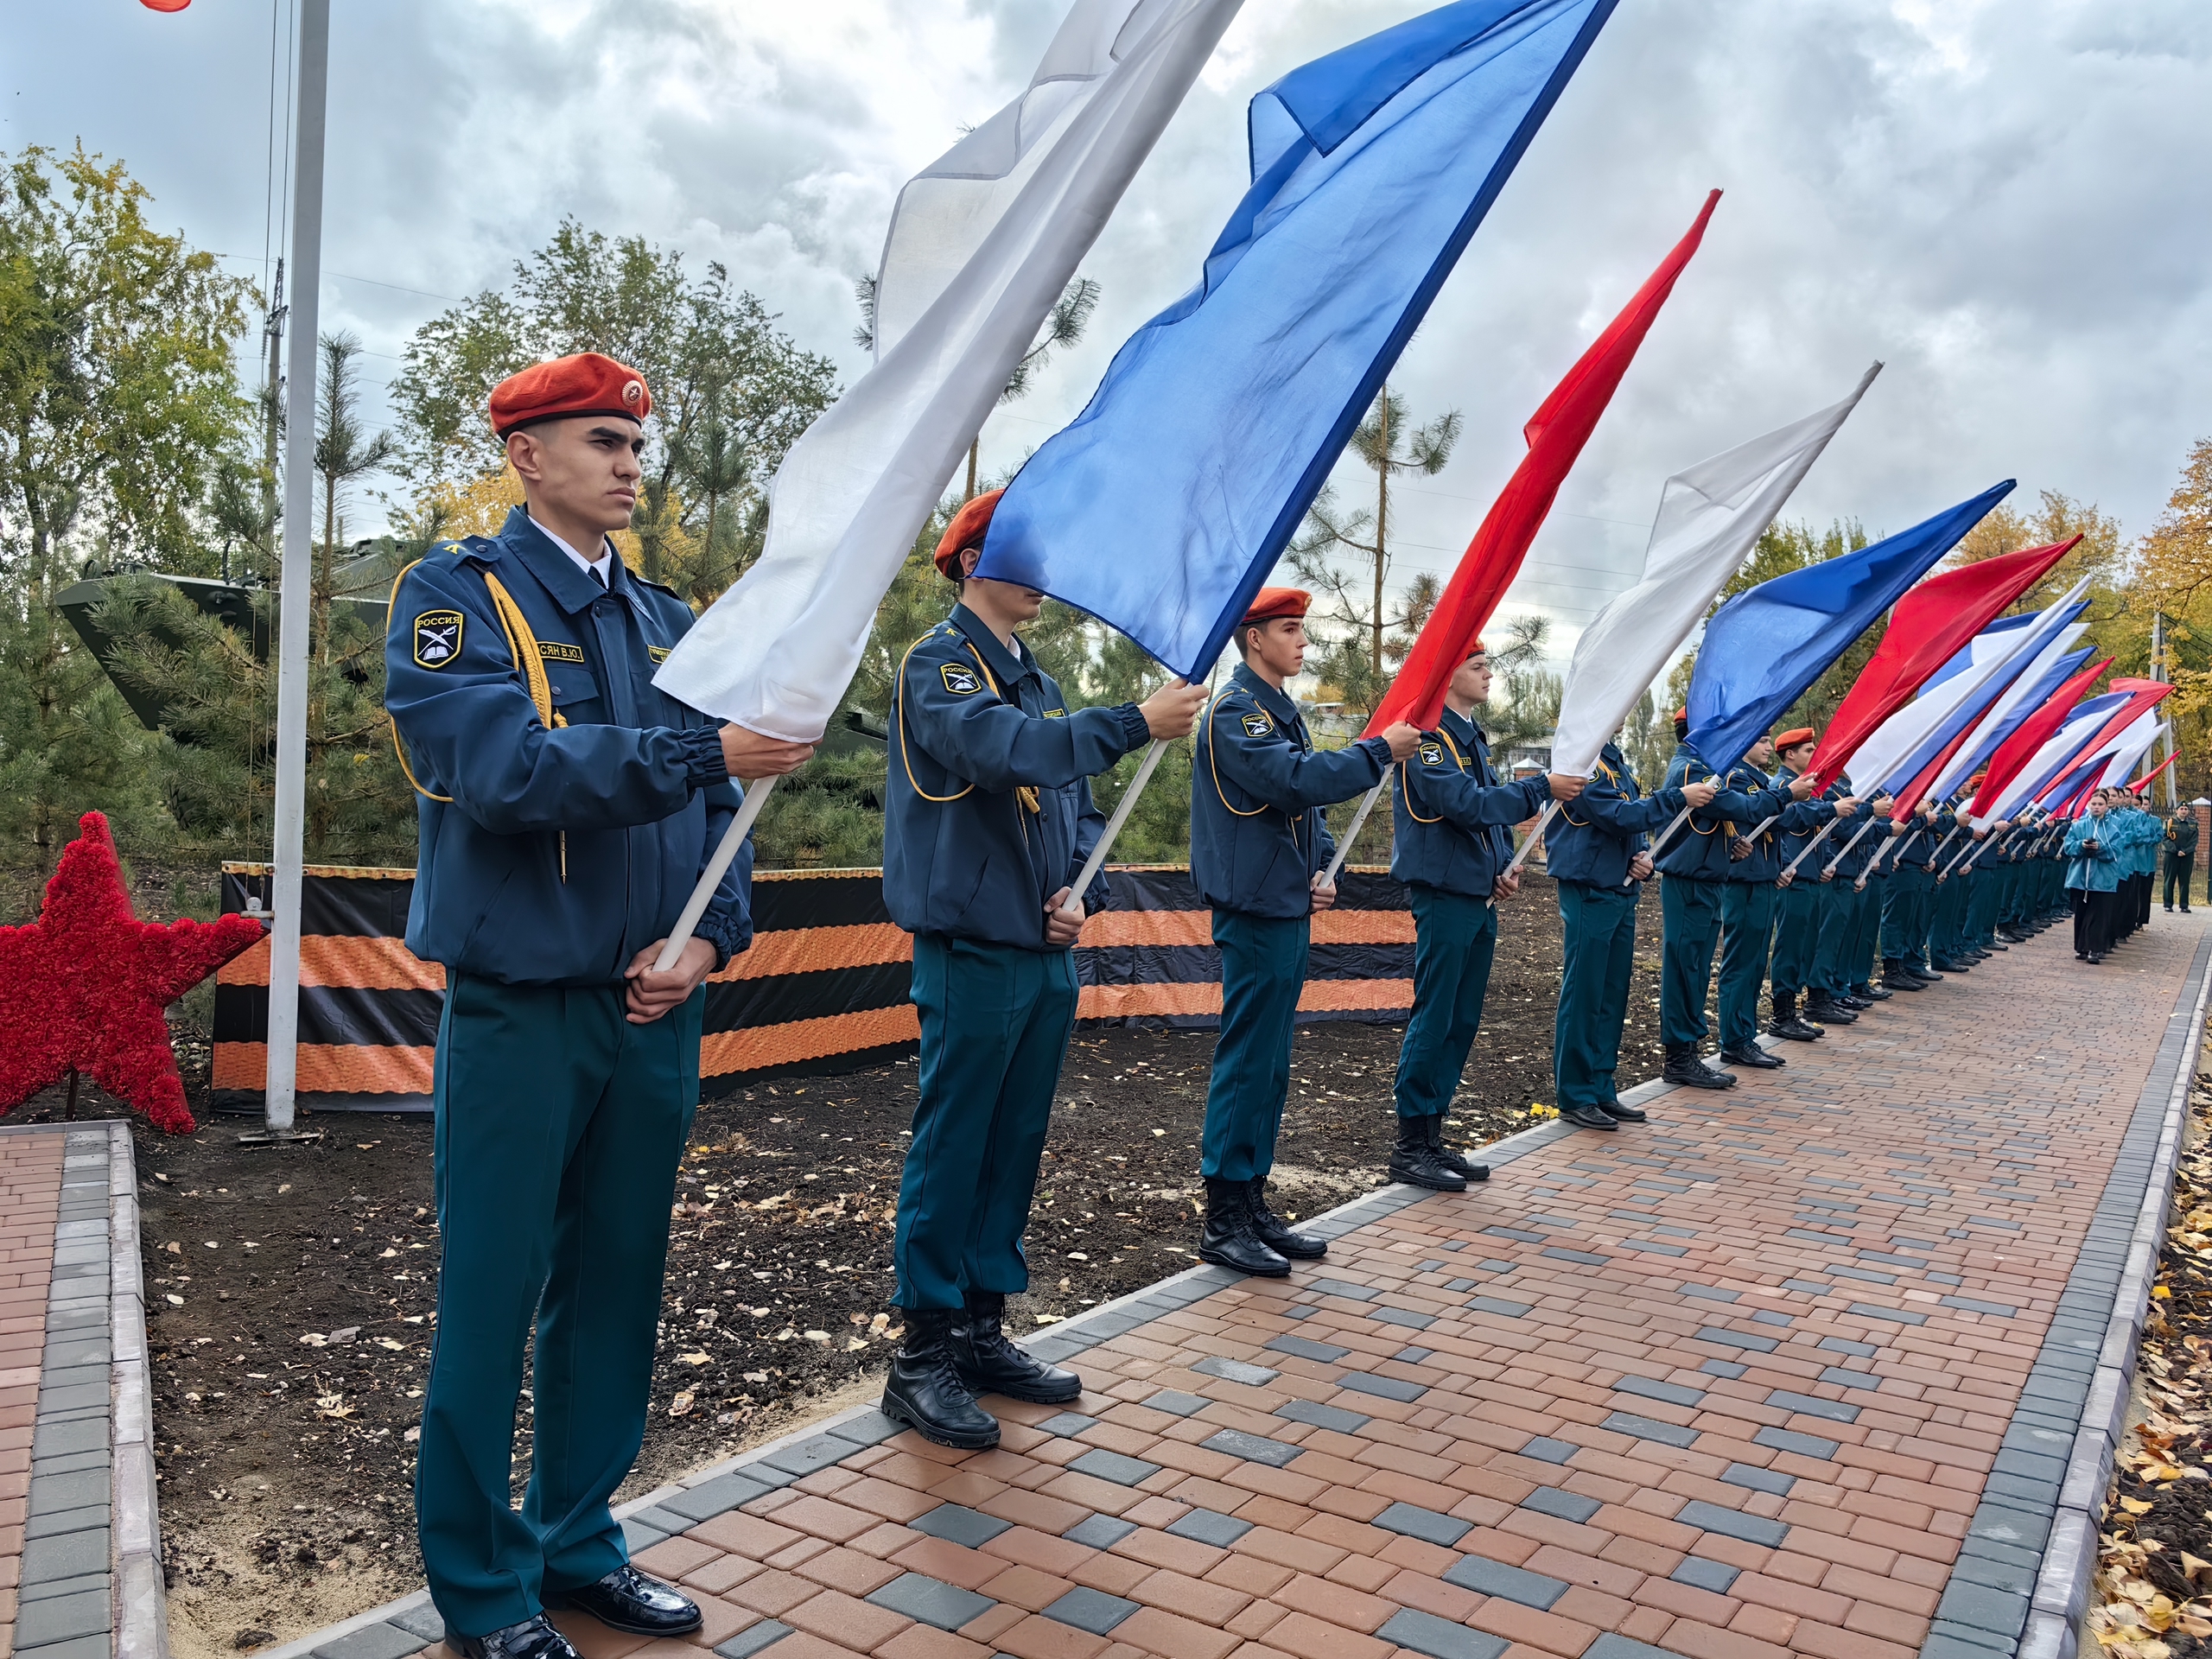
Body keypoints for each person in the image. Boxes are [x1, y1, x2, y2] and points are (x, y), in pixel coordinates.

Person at [385, 354, 816, 1657]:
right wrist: (698, 749)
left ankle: (578, 1545)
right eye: (601, 440)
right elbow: (500, 770)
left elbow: (727, 815)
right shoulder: (459, 597)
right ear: (527, 455)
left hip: (650, 1012)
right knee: (493, 1293)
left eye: (635, 443)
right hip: (523, 1010)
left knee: (617, 1285)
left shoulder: (673, 621)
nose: (630, 463)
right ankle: (482, 1592)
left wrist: (709, 945)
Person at [880, 488, 1206, 1448]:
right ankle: (922, 1356)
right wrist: (1135, 720)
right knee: (955, 1144)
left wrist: (1080, 888)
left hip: (1042, 946)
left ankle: (981, 1331)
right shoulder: (940, 664)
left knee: (1013, 1141)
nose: (1045, 577)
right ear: (970, 564)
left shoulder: (1040, 680)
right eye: (1026, 557)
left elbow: (1082, 809)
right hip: (972, 947)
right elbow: (1001, 752)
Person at [1191, 588, 1418, 1274]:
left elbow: (1303, 813)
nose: (1303, 642)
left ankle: (1251, 1202)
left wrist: (1318, 865)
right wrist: (1376, 752)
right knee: (1248, 1061)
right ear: (1255, 638)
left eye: (1302, 630)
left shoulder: (1275, 711)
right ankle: (1223, 1219)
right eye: (1290, 629)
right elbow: (1292, 781)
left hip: (1282, 904)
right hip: (1254, 909)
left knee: (1270, 1064)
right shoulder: (1236, 711)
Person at [1388, 644, 1582, 1182]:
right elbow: (1467, 804)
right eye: (1476, 665)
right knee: (1436, 1015)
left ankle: (1432, 1135)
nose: (1489, 673)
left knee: (1461, 1018)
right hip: (1444, 895)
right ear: (1447, 674)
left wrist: (1501, 865)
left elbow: (1488, 819)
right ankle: (1410, 1145)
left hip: (1474, 893)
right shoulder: (1429, 738)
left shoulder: (1470, 737)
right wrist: (1541, 785)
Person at [1545, 733, 1713, 1128]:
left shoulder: (1613, 758)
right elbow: (1615, 815)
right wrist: (1677, 798)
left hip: (1619, 886)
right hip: (1590, 889)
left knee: (1611, 993)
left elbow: (1628, 826)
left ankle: (1601, 1086)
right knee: (1585, 992)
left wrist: (1642, 858)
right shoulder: (1582, 755)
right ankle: (1576, 1093)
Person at [1655, 712, 1812, 1087]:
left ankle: (1695, 1051)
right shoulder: (1692, 769)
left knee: (1696, 969)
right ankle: (1680, 1057)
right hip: (1689, 882)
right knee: (1685, 969)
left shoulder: (1705, 768)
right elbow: (1741, 808)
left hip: (1708, 878)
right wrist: (1786, 794)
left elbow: (1714, 824)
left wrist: (1731, 845)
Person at [1767, 731, 1859, 1035]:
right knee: (1790, 947)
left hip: (1811, 875)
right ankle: (1782, 1015)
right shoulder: (1782, 787)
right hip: (1792, 877)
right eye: (1808, 750)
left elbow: (1819, 835)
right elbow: (1793, 821)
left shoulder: (1807, 789)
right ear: (1790, 754)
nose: (1814, 755)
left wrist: (1826, 861)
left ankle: (1800, 1007)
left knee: (1805, 946)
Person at [2065, 791, 2120, 963]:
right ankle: (2082, 947)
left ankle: (2095, 949)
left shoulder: (2113, 828)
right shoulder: (2079, 826)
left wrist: (2100, 848)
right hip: (2080, 877)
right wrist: (2081, 845)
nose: (2096, 807)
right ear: (2089, 805)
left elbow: (2116, 852)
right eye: (2094, 804)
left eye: (2100, 804)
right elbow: (2068, 847)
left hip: (2103, 879)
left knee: (2098, 915)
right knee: (2081, 913)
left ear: (2106, 806)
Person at [2167, 804, 2197, 912]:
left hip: (2187, 855)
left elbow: (2194, 840)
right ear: (2176, 810)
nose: (2184, 811)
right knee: (2170, 879)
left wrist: (2185, 851)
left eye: (2186, 809)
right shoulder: (2170, 822)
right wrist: (2176, 850)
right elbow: (2166, 838)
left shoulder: (2193, 824)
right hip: (2172, 855)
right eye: (2181, 809)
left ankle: (2184, 905)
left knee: (2185, 880)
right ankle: (2168, 904)